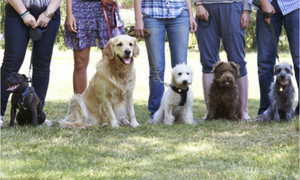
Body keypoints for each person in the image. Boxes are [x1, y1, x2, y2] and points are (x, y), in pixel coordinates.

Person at [133, 0, 197, 122]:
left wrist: (190, 15)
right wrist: (138, 19)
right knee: (156, 69)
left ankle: (185, 114)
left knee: (181, 65)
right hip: (152, 13)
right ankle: (156, 114)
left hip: (179, 12)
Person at [0, 0, 62, 126]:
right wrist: (24, 13)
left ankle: (38, 115)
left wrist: (48, 13)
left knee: (42, 65)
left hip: (49, 10)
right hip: (17, 10)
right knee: (11, 61)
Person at [194, 0, 252, 121]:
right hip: (206, 7)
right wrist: (198, 4)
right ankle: (210, 113)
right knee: (208, 62)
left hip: (233, 6)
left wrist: (246, 10)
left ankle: (242, 112)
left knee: (238, 60)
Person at [249, 0, 299, 116]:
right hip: (267, 2)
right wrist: (264, 2)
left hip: (295, 4)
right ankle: (267, 111)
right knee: (264, 62)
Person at [64, 0, 125, 94]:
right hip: (80, 7)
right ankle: (80, 105)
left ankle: (112, 104)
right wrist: (69, 13)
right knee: (79, 63)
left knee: (111, 60)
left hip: (104, 6)